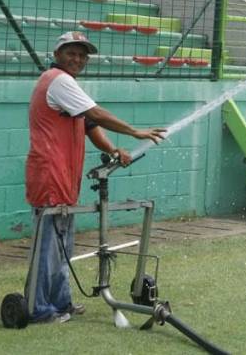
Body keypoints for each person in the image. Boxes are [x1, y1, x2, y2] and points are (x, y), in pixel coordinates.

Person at [24, 32, 166, 324]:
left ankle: (61, 301)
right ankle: (38, 308)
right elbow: (96, 114)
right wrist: (134, 132)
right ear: (58, 54)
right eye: (71, 53)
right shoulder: (57, 80)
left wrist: (114, 149)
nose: (77, 59)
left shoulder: (66, 85)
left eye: (82, 55)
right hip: (50, 174)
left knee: (62, 241)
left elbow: (88, 125)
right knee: (49, 243)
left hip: (63, 176)